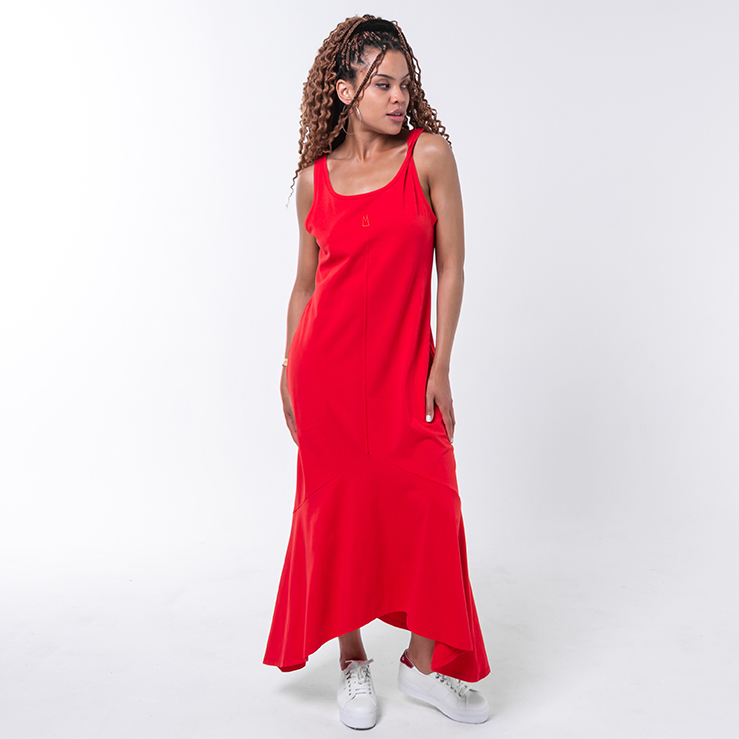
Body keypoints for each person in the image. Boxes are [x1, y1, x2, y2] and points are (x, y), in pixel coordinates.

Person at [263, 15, 491, 729]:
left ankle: (421, 665)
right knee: (336, 517)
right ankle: (352, 659)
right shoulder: (314, 181)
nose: (399, 97)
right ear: (344, 91)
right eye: (381, 83)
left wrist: (441, 364)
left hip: (405, 373)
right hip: (325, 375)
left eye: (404, 83)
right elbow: (304, 286)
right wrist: (287, 366)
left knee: (431, 504)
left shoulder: (429, 157)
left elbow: (452, 266)